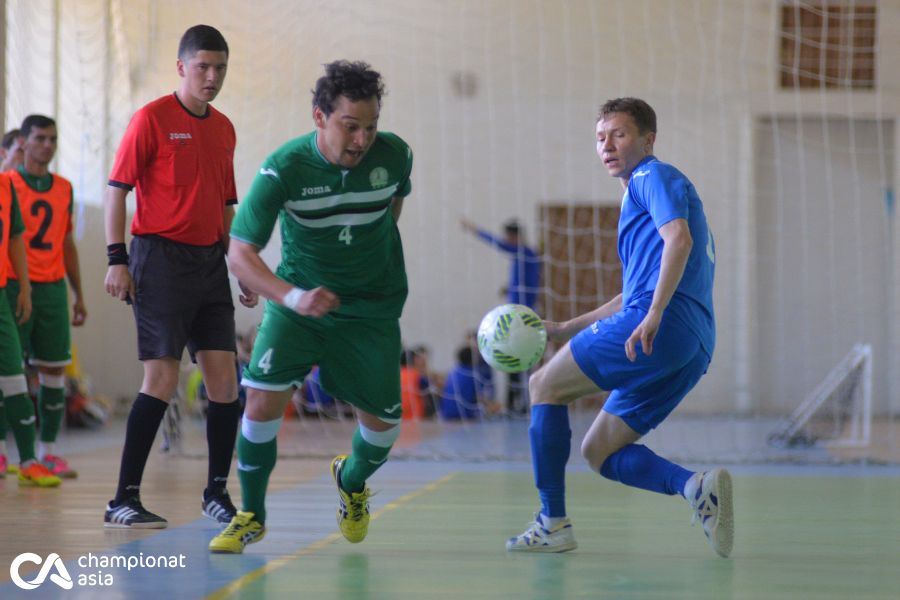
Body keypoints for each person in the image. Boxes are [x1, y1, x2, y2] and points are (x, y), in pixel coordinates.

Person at [506, 98, 732, 558]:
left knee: (543, 385)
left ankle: (552, 523)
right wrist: (570, 326)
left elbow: (679, 240)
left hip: (661, 324)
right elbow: (632, 294)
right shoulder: (642, 193)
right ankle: (695, 489)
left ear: (648, 139)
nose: (606, 144)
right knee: (599, 452)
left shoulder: (652, 175)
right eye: (599, 137)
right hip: (693, 344)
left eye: (619, 134)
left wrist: (651, 315)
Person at [209, 59, 414, 554]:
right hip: (299, 301)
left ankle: (352, 478)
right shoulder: (284, 168)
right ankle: (251, 515)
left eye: (370, 127)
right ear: (319, 116)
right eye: (350, 126)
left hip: (371, 307)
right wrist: (292, 296)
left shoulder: (397, 156)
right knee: (258, 402)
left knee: (385, 430)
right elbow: (239, 253)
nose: (362, 139)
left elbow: (391, 207)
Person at [103, 24, 257, 528]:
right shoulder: (151, 119)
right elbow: (117, 190)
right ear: (182, 67)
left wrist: (241, 265)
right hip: (160, 259)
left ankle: (216, 492)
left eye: (221, 69)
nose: (212, 77)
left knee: (225, 381)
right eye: (203, 67)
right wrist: (115, 258)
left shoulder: (225, 128)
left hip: (211, 262)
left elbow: (227, 205)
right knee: (163, 377)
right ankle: (122, 498)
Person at [1, 115, 87, 479]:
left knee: (54, 368)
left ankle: (47, 452)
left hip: (51, 288)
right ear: (22, 142)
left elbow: (67, 242)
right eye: (39, 139)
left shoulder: (64, 188)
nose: (47, 146)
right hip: (16, 285)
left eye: (53, 139)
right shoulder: (9, 182)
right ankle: (9, 454)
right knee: (10, 371)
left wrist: (78, 293)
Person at [0, 167, 60, 486]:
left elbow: (14, 239)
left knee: (13, 374)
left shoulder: (5, 186)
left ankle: (27, 461)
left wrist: (24, 286)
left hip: (2, 295)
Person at [460, 217, 541, 414]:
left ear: (515, 237)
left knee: (519, 360)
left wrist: (475, 229)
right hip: (516, 314)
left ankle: (521, 405)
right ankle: (516, 405)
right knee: (513, 359)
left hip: (520, 319)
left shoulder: (524, 252)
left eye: (508, 237)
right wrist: (509, 289)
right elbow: (527, 282)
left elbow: (498, 245)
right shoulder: (525, 256)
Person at [438, 346, 482, 420]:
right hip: (464, 414)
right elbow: (480, 397)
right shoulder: (473, 375)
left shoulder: (453, 371)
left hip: (445, 414)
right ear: (473, 359)